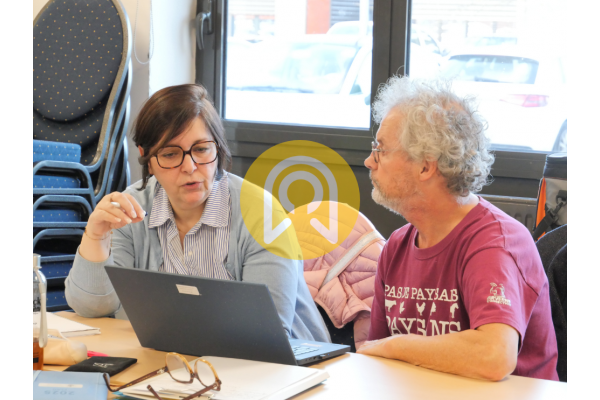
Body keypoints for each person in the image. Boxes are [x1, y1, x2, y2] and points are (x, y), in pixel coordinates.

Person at [65, 84, 330, 342]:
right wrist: (96, 237)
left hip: (285, 363)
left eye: (201, 149)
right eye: (170, 154)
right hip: (172, 360)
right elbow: (93, 309)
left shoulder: (262, 213)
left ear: (218, 147)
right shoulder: (131, 208)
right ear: (147, 158)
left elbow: (266, 332)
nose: (190, 166)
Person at [357, 76, 559, 381]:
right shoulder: (397, 246)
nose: (369, 161)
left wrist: (397, 345)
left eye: (380, 149)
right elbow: (376, 358)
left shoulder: (495, 242)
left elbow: (494, 355)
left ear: (425, 166)